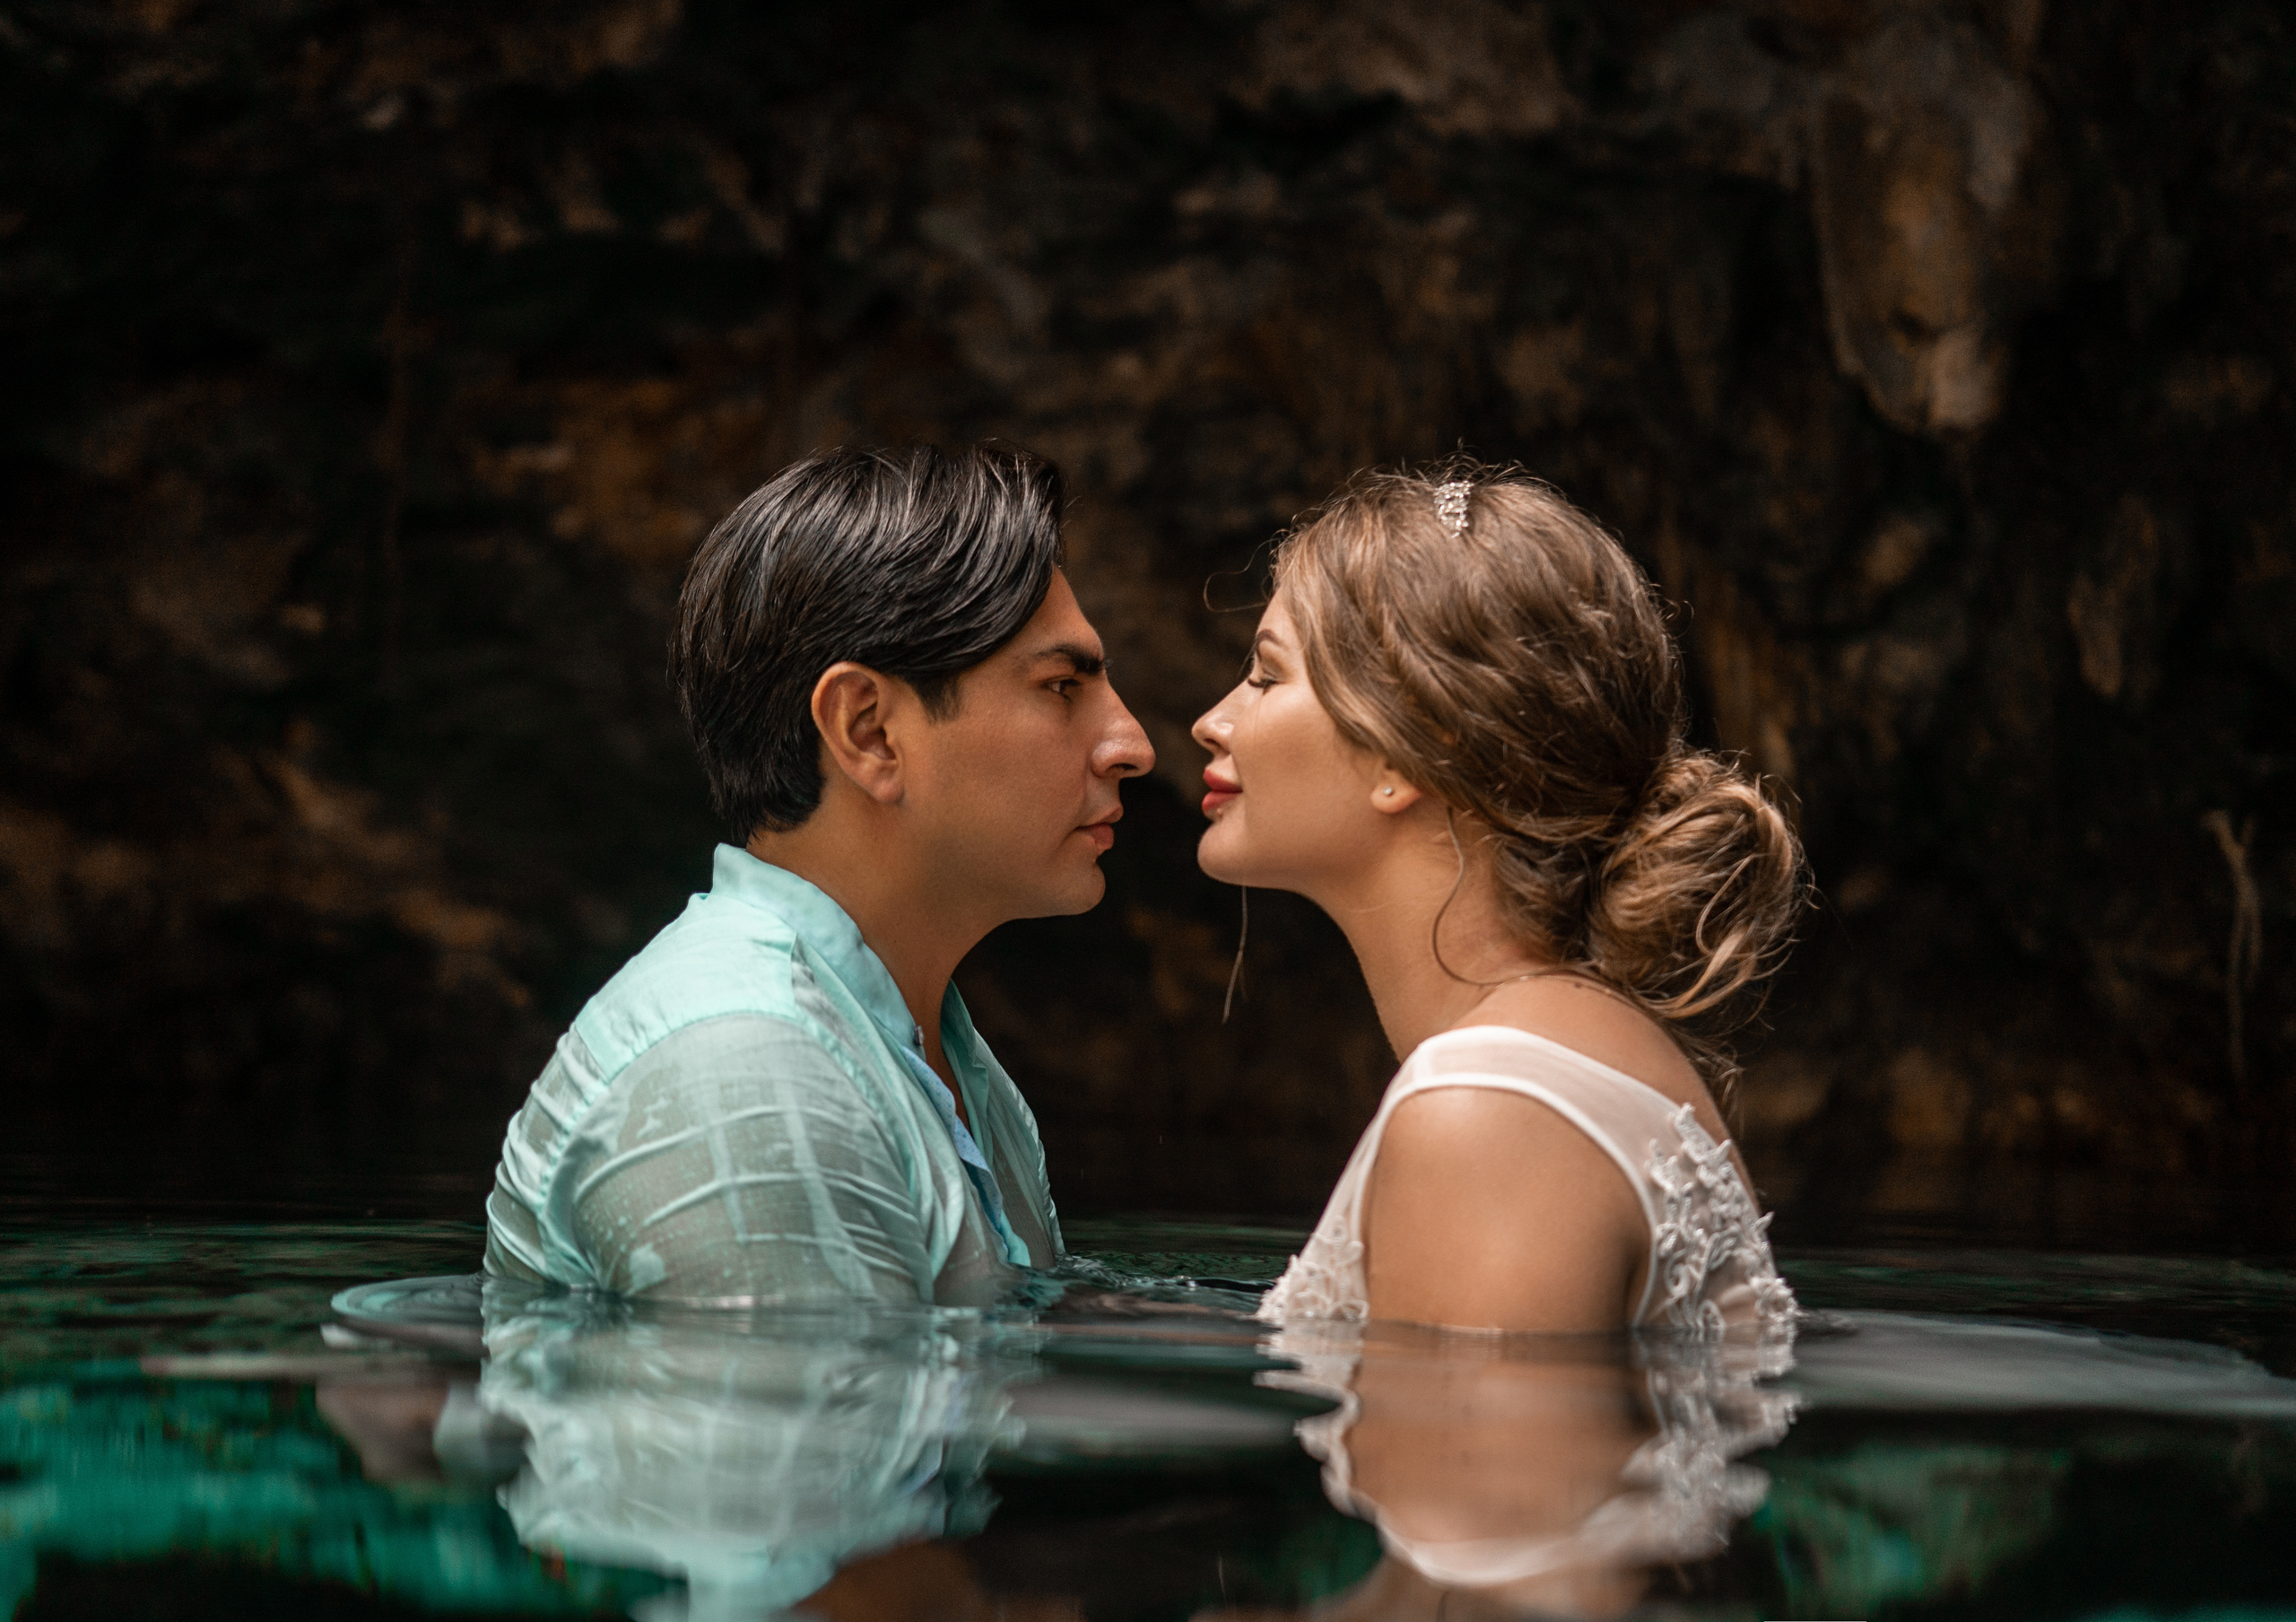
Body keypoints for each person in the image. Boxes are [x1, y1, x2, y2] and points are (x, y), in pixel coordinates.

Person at [484, 442, 1154, 1305]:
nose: (1132, 745)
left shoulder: (936, 1059)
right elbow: (816, 1438)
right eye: (1063, 686)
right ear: (869, 731)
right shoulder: (748, 1070)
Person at [1192, 465, 1805, 1337]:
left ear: (1406, 751)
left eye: (1263, 675)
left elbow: (1487, 1474)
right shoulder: (1586, 1047)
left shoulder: (1485, 1110)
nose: (1211, 720)